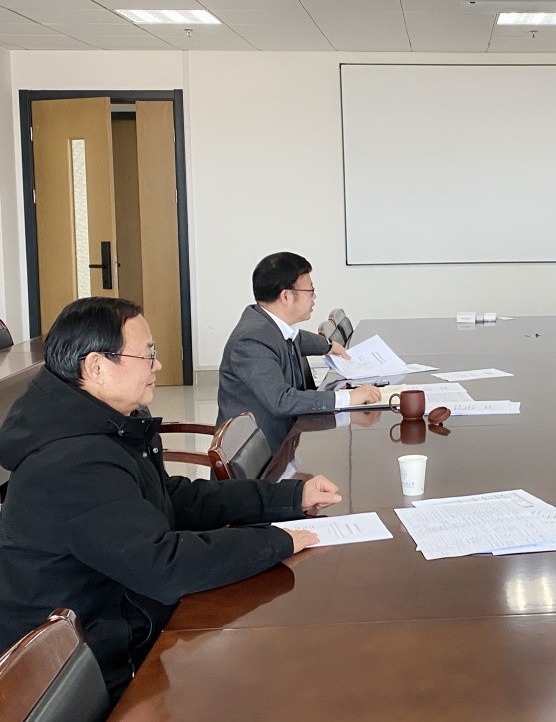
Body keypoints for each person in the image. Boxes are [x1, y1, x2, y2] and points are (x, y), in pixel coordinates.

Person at [0, 297, 340, 703]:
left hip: (124, 626)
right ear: (96, 367)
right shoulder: (73, 461)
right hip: (80, 671)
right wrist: (276, 542)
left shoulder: (104, 424)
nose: (158, 365)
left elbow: (171, 498)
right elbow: (163, 565)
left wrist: (290, 497)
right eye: (147, 355)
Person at [217, 252, 381, 450]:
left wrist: (329, 346)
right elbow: (281, 401)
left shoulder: (270, 325)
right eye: (310, 290)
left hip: (288, 438)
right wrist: (348, 398)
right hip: (262, 454)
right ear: (286, 296)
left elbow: (299, 338)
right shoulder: (251, 340)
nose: (314, 297)